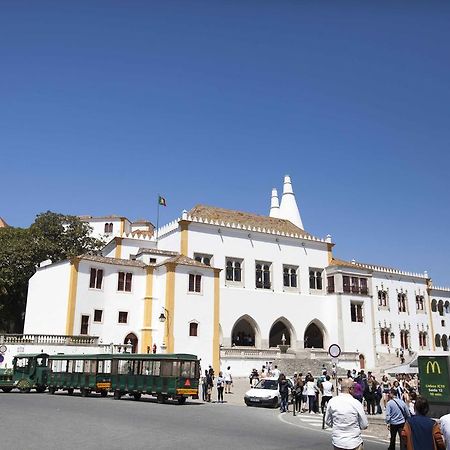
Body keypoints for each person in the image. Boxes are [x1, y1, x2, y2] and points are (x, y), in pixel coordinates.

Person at [325, 378, 368, 450]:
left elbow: (327, 421)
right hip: (354, 442)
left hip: (338, 442)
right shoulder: (356, 403)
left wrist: (337, 425)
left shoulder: (332, 401)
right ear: (350, 389)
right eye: (354, 388)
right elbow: (364, 424)